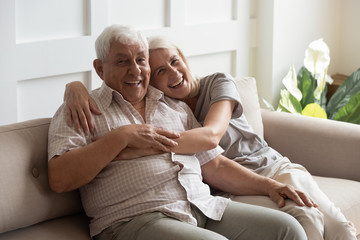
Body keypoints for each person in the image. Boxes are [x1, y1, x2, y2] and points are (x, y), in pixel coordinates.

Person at [64, 33, 357, 240]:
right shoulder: (91, 109)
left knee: (307, 225)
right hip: (192, 200)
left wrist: (137, 143)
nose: (173, 74)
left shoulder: (208, 88)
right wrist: (119, 136)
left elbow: (210, 143)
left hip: (264, 172)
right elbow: (60, 175)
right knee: (302, 218)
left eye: (174, 61)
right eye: (161, 70)